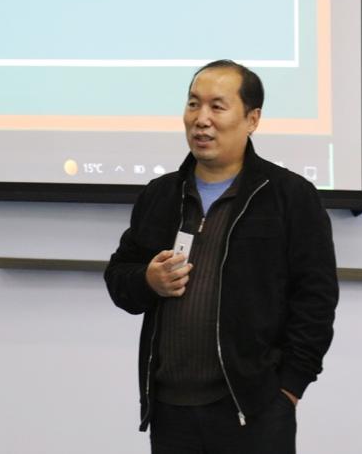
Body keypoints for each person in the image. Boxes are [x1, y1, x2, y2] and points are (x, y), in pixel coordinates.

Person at [104, 59, 338, 454]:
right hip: (170, 409)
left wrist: (289, 387)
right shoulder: (162, 195)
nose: (201, 120)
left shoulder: (288, 196)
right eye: (193, 104)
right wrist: (147, 280)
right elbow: (119, 277)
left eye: (217, 106)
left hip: (254, 408)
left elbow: (316, 298)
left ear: (252, 119)